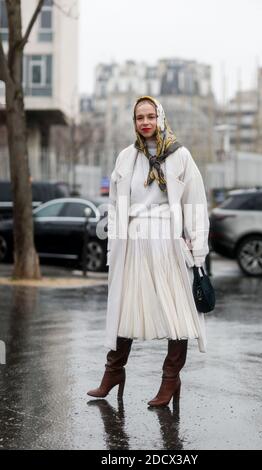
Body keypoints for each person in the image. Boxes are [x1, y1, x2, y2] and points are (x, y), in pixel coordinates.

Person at [87, 96, 210, 407]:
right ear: (134, 122)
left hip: (168, 241)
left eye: (150, 116)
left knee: (176, 312)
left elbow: (195, 204)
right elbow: (115, 207)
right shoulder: (126, 157)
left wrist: (198, 254)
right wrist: (113, 248)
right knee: (125, 308)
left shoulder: (180, 156)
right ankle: (113, 372)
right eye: (139, 117)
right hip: (133, 241)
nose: (145, 122)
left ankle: (171, 378)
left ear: (161, 118)